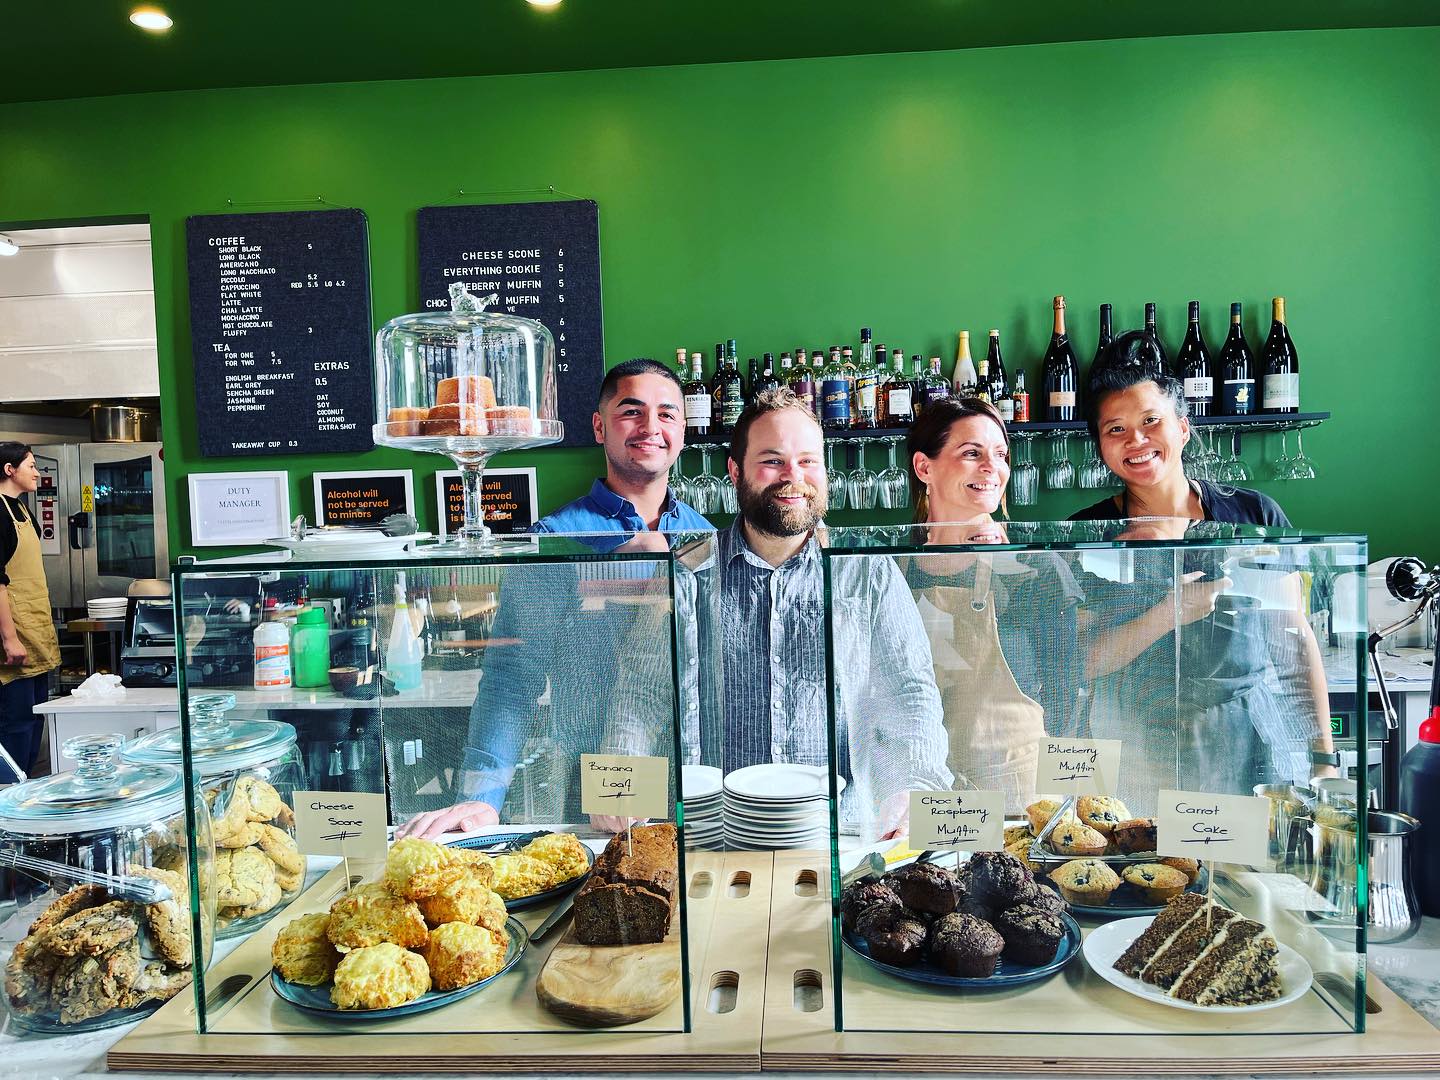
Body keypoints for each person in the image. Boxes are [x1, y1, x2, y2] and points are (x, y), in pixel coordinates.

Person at [602, 387, 952, 832]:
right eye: (773, 461)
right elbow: (640, 695)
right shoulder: (686, 571)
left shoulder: (867, 572)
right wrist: (621, 790)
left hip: (840, 831)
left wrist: (914, 788)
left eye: (808, 461)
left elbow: (909, 694)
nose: (794, 476)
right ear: (735, 471)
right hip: (716, 830)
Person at [400, 359, 711, 838]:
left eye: (667, 415)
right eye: (632, 412)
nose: (651, 427)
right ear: (599, 426)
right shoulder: (556, 539)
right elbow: (512, 678)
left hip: (696, 777)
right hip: (588, 784)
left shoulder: (704, 536)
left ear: (683, 431)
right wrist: (481, 798)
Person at [1069, 335, 1334, 800]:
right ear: (1101, 446)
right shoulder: (1089, 534)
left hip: (1248, 740)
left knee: (1244, 871)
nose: (1136, 440)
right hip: (1135, 746)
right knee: (1150, 870)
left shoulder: (1254, 517)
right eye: (1116, 430)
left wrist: (1323, 757)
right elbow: (1084, 662)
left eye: (1151, 421)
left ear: (1183, 428)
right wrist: (1170, 611)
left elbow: (1292, 640)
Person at [905, 398, 1084, 809]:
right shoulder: (893, 569)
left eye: (1001, 455)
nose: (993, 468)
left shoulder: (1033, 571)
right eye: (972, 453)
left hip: (1015, 794)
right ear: (924, 467)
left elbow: (1066, 695)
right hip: (927, 790)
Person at [0, 444, 60, 780]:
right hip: (15, 635)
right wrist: (9, 639)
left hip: (35, 628)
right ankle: (7, 801)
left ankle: (25, 790)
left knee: (35, 716)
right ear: (10, 469)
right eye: (32, 466)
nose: (37, 473)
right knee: (17, 721)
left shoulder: (22, 510)